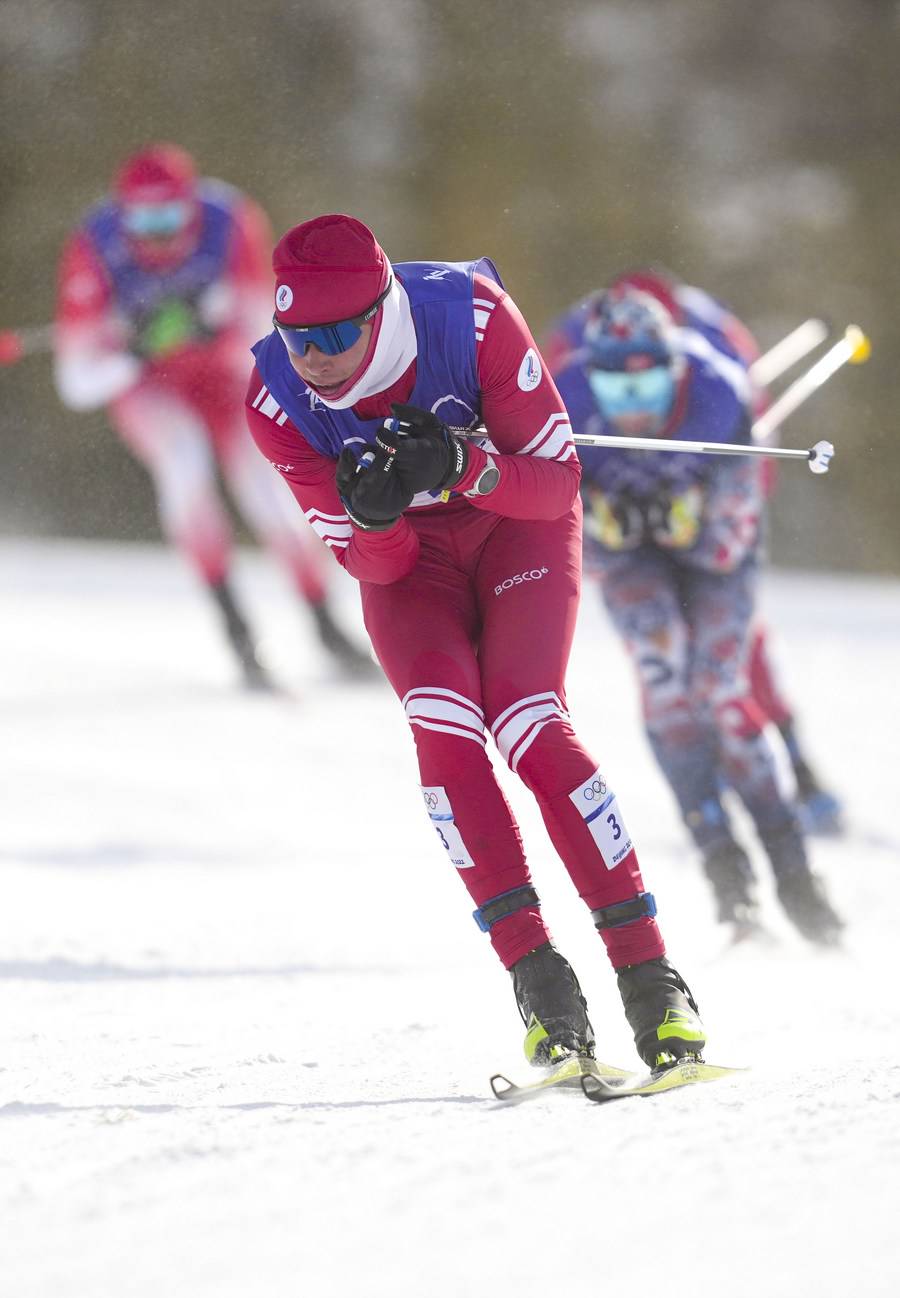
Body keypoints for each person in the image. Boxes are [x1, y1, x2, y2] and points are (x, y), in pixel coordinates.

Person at [244, 212, 706, 1072]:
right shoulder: (275, 398)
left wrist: (463, 467)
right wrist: (373, 515)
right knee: (445, 727)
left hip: (513, 533)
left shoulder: (474, 317)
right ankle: (542, 988)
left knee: (529, 720)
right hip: (413, 571)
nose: (314, 355)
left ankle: (653, 982)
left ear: (382, 313)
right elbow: (374, 568)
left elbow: (556, 482)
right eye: (295, 333)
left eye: (337, 333)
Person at [547, 275, 843, 944]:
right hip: (631, 563)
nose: (634, 407)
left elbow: (733, 534)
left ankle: (794, 875)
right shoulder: (565, 402)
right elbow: (556, 524)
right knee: (665, 689)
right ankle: (726, 876)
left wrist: (690, 525)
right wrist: (607, 531)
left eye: (647, 388)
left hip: (716, 562)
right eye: (618, 389)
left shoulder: (715, 394)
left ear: (673, 371)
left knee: (721, 694)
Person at [52, 143, 374, 689]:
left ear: (192, 208)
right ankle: (238, 632)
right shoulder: (95, 246)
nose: (156, 234)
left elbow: (270, 334)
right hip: (150, 388)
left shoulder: (230, 222)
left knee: (269, 491)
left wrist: (212, 325)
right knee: (184, 464)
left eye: (169, 216)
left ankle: (326, 625)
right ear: (121, 213)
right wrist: (129, 352)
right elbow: (76, 382)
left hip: (224, 378)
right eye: (143, 219)